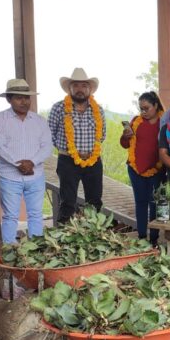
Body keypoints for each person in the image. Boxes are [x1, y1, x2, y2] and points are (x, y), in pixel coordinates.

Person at [0, 79, 52, 243]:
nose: (24, 102)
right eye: (18, 98)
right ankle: (9, 252)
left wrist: (32, 162)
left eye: (27, 98)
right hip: (10, 176)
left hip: (35, 175)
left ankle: (35, 250)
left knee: (36, 214)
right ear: (9, 99)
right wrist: (20, 164)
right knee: (10, 216)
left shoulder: (39, 121)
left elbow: (47, 147)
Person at [48, 68, 106, 223]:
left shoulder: (98, 109)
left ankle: (92, 235)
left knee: (94, 201)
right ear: (70, 89)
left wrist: (89, 152)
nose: (80, 90)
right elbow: (50, 134)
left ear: (90, 89)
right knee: (68, 201)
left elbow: (102, 135)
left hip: (93, 161)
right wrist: (67, 150)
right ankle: (64, 240)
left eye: (84, 86)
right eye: (76, 86)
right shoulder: (59, 108)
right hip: (68, 161)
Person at [121, 91, 165, 245]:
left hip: (157, 171)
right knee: (140, 203)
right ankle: (141, 237)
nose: (143, 112)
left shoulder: (164, 122)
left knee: (154, 204)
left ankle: (153, 239)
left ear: (156, 106)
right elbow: (125, 145)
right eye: (141, 109)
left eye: (147, 108)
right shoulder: (135, 121)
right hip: (135, 169)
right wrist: (125, 136)